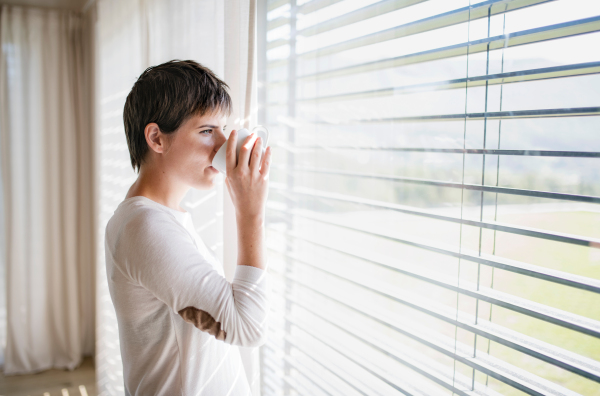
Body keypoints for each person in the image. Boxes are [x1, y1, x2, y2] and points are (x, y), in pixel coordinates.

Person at [104, 59, 272, 396]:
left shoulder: (162, 216)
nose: (224, 144)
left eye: (223, 129)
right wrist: (250, 213)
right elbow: (248, 327)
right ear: (157, 138)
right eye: (207, 130)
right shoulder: (146, 228)